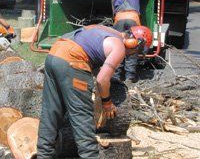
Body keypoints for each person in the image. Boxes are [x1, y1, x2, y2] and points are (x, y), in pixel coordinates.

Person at [37, 24, 153, 158]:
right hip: (73, 59)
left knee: (50, 112)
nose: (131, 55)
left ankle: (43, 155)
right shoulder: (119, 47)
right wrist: (107, 102)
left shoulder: (109, 31)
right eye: (135, 52)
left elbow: (93, 51)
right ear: (134, 43)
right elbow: (102, 79)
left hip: (55, 53)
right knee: (82, 116)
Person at [112, 0, 147, 83]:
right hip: (133, 18)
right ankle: (130, 77)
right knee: (132, 47)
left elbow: (113, 11)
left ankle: (117, 76)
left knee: (119, 46)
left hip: (119, 19)